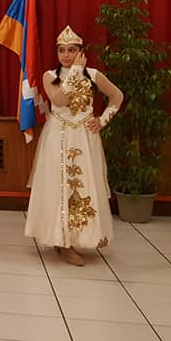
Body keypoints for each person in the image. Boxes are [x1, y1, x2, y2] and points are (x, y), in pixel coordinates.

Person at [25, 26, 124, 266]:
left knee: (83, 184)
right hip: (58, 137)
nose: (66, 55)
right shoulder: (51, 76)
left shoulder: (93, 74)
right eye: (62, 50)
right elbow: (58, 99)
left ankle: (82, 235)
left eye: (71, 50)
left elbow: (117, 96)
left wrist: (103, 120)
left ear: (80, 51)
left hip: (84, 137)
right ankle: (62, 241)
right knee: (58, 186)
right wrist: (74, 72)